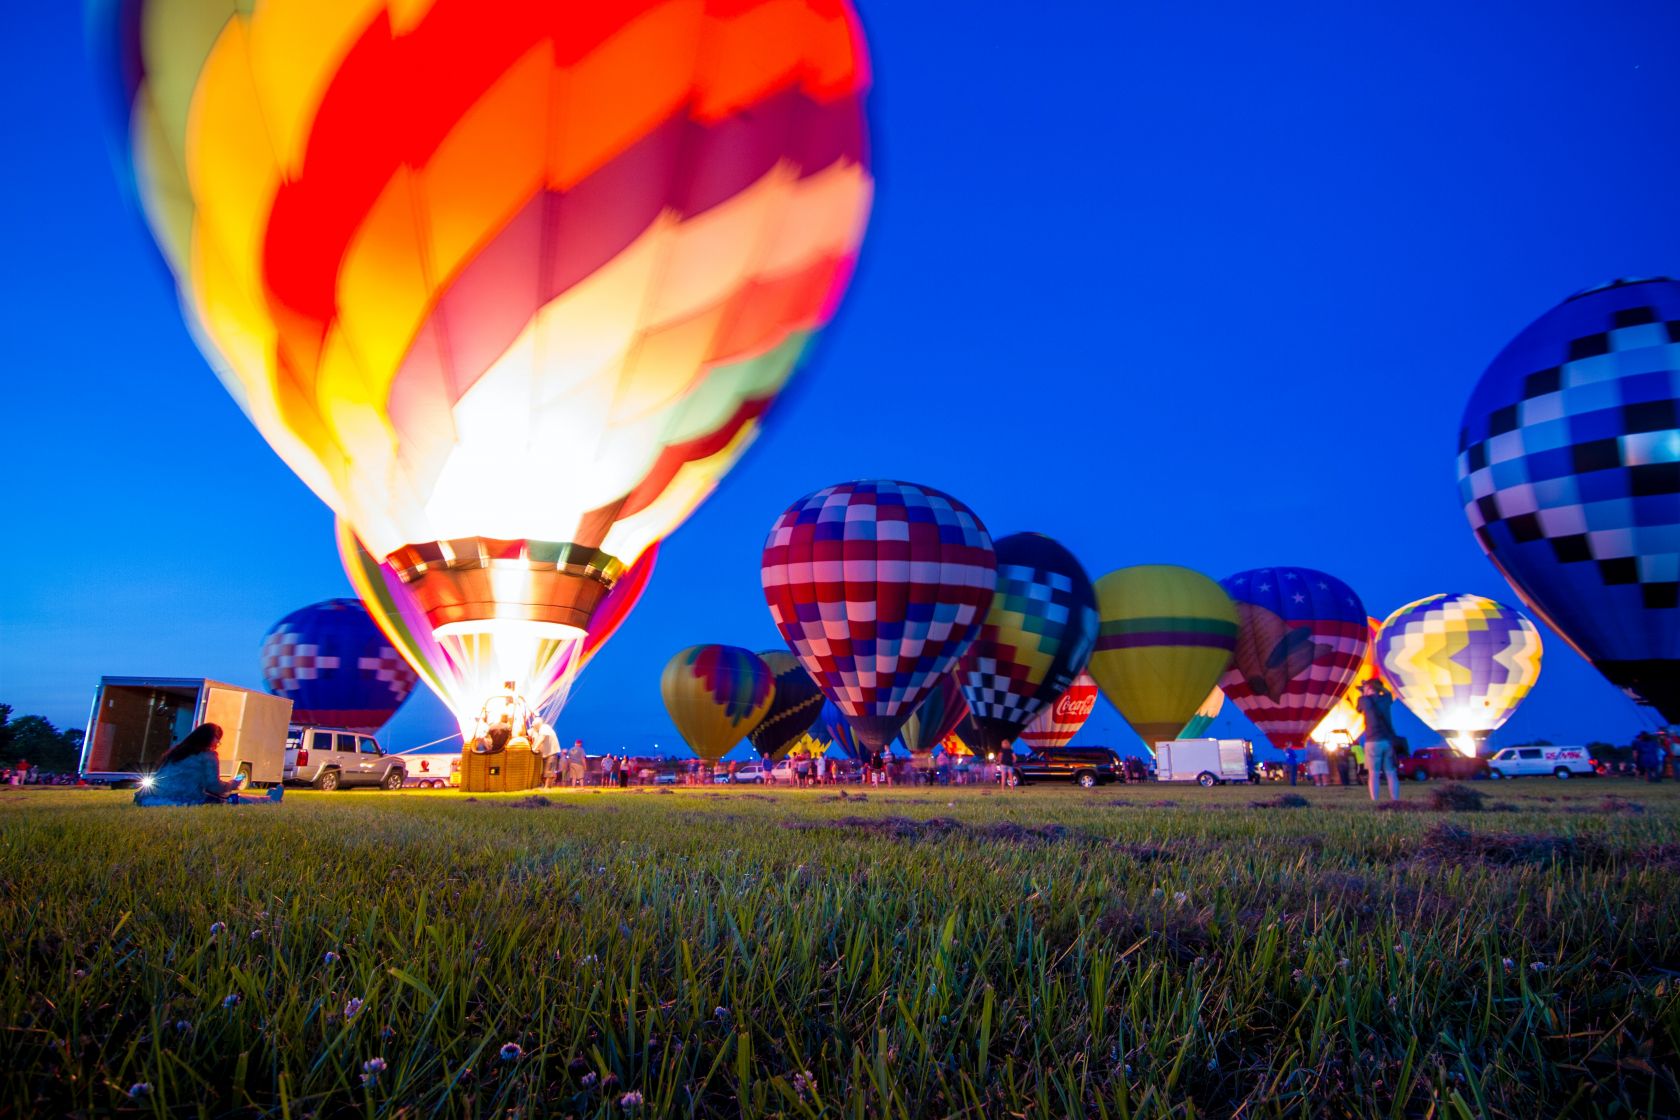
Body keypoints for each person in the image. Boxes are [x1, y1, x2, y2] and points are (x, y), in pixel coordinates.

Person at [134, 724, 283, 807]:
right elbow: (214, 787)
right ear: (211, 738)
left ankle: (267, 798)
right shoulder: (208, 755)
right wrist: (232, 784)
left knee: (216, 797)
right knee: (227, 800)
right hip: (183, 799)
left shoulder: (176, 752)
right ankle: (269, 800)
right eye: (218, 739)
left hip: (150, 798)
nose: (218, 743)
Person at [1357, 679, 1401, 803]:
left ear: (1370, 688)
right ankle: (1395, 800)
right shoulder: (1386, 698)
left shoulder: (1363, 700)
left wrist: (1363, 692)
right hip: (1387, 741)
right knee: (1391, 773)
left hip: (1372, 741)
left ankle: (1374, 800)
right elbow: (1388, 693)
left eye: (1366, 687)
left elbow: (1358, 709)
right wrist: (1375, 688)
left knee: (1373, 774)